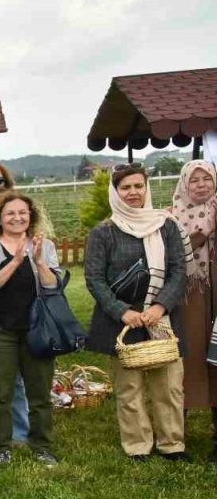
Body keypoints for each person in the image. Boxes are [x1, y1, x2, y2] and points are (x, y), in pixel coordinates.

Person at [85, 162, 188, 462]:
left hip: (162, 319)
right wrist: (121, 311)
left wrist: (160, 305)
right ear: (115, 192)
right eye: (125, 187)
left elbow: (179, 271)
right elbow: (94, 278)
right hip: (123, 322)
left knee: (169, 387)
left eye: (138, 186)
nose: (133, 192)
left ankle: (172, 444)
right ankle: (138, 445)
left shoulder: (166, 225)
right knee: (129, 390)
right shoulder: (104, 232)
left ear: (146, 188)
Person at [0, 192, 62, 467]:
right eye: (11, 213)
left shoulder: (44, 245)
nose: (17, 217)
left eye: (23, 212)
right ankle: (1, 446)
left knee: (40, 393)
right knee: (0, 392)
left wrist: (37, 261)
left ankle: (42, 446)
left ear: (31, 216)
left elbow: (54, 286)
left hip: (38, 329)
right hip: (1, 329)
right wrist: (14, 261)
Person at [169, 160, 217, 461]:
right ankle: (176, 434)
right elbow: (175, 254)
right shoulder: (173, 219)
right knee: (188, 359)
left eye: (207, 179)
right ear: (184, 184)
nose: (201, 185)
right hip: (190, 298)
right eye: (194, 180)